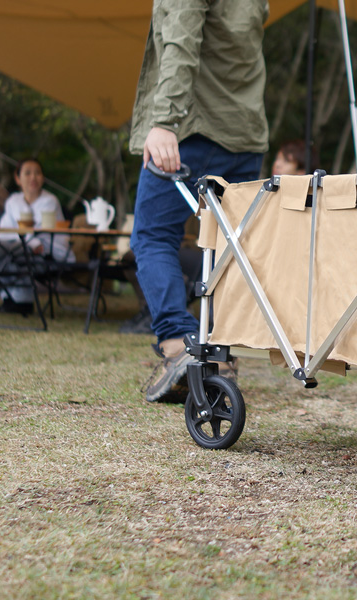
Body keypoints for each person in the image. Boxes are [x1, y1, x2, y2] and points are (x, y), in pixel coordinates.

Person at [129, 0, 269, 402]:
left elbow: (181, 42)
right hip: (244, 136)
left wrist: (164, 122)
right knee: (229, 249)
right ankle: (220, 357)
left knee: (153, 237)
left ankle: (179, 345)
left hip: (192, 130)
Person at [0, 158, 74, 315]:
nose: (33, 177)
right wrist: (31, 243)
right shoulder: (13, 201)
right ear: (17, 178)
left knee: (11, 253)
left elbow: (40, 230)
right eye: (27, 173)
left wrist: (31, 242)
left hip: (48, 253)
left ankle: (20, 301)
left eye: (37, 173)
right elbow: (4, 231)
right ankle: (12, 299)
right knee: (5, 249)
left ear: (43, 178)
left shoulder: (50, 201)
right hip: (23, 249)